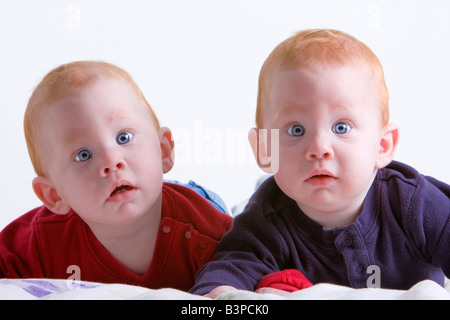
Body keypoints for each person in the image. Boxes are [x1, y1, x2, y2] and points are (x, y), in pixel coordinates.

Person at [190, 29, 450, 298]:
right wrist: (221, 291)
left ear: (382, 146)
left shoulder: (414, 203)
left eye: (341, 127)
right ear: (264, 149)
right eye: (296, 130)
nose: (318, 149)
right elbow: (232, 267)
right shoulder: (266, 219)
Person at [0, 61, 232, 291]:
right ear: (54, 196)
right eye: (83, 155)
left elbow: (256, 266)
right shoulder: (42, 241)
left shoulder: (210, 236)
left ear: (163, 151)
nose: (111, 162)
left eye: (124, 137)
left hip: (188, 199)